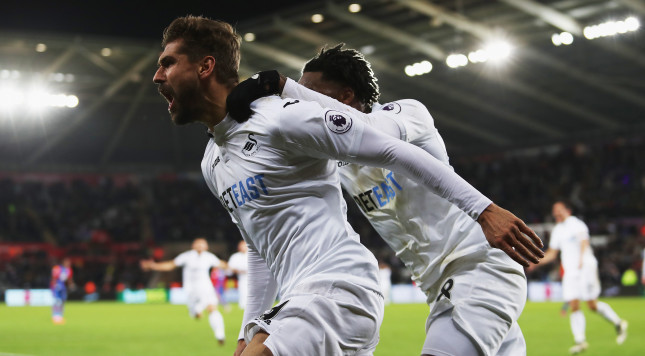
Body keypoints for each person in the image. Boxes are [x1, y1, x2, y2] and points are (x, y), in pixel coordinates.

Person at [153, 16, 542, 356]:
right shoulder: (329, 160)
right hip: (435, 285)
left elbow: (380, 139)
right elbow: (263, 235)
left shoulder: (406, 114)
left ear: (345, 97)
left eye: (313, 95)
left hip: (479, 263)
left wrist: (286, 88)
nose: (304, 106)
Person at [529, 201, 628, 354]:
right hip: (570, 271)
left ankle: (618, 323)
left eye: (559, 210)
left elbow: (584, 242)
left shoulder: (577, 224)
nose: (556, 213)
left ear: (568, 210)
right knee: (574, 304)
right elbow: (552, 254)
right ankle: (580, 341)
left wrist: (581, 259)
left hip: (585, 267)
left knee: (592, 305)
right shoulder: (557, 230)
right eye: (554, 211)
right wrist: (536, 262)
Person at [140, 237, 228, 345]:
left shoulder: (209, 257)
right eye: (198, 244)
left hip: (206, 287)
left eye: (202, 244)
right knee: (196, 315)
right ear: (193, 245)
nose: (200, 246)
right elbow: (170, 265)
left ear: (206, 246)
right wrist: (154, 266)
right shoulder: (186, 256)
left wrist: (230, 266)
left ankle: (220, 335)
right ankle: (196, 310)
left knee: (212, 308)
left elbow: (222, 264)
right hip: (191, 290)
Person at [50, 257, 73, 324]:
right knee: (57, 301)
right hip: (57, 287)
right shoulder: (57, 268)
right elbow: (53, 278)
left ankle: (60, 315)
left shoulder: (69, 270)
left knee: (63, 300)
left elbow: (69, 279)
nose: (68, 263)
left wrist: (71, 285)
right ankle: (55, 315)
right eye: (67, 262)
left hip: (63, 287)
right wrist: (54, 285)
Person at [228, 240, 249, 309]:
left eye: (244, 245)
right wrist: (240, 271)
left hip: (254, 278)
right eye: (241, 246)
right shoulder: (235, 256)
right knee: (243, 293)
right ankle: (243, 308)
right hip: (242, 278)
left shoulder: (252, 255)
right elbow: (230, 268)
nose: (243, 247)